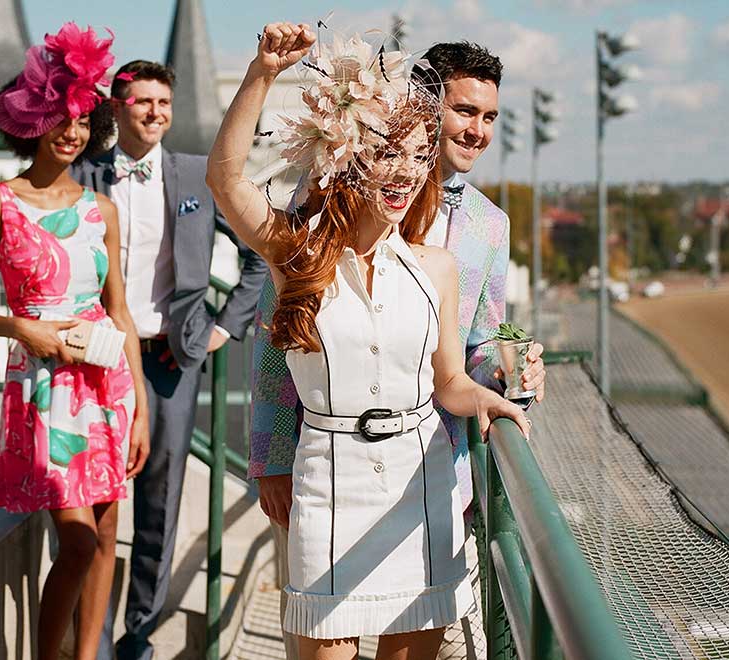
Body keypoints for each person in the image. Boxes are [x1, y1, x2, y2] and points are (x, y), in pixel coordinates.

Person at [206, 22, 532, 660]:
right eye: (390, 153)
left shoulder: (437, 264)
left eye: (417, 156)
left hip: (423, 485)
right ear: (350, 156)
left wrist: (497, 393)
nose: (408, 172)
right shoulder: (295, 251)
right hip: (326, 483)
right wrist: (263, 73)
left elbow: (454, 380)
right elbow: (226, 179)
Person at [0, 23, 150, 660]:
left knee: (108, 529)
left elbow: (118, 311)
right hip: (44, 390)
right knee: (79, 540)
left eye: (85, 120)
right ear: (33, 118)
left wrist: (141, 403)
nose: (73, 131)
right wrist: (21, 326)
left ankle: (86, 656)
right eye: (61, 117)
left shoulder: (102, 210)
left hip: (107, 383)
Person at [70, 60, 269, 660]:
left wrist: (223, 328)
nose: (155, 113)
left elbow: (258, 254)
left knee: (160, 497)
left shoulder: (194, 174)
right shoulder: (82, 173)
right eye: (142, 103)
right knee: (98, 502)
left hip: (168, 358)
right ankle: (93, 641)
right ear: (117, 107)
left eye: (164, 103)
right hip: (96, 358)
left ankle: (139, 633)